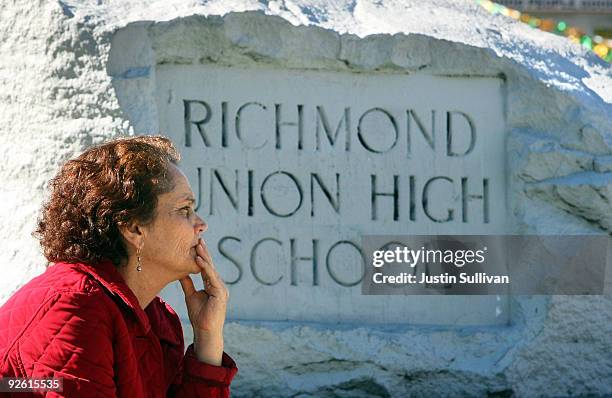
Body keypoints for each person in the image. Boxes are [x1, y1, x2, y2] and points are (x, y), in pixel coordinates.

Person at [0, 135, 237, 397]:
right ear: (135, 229)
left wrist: (207, 336)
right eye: (184, 210)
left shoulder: (157, 320)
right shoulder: (74, 307)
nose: (201, 224)